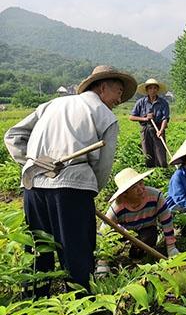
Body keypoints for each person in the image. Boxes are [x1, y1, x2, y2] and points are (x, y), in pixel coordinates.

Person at [4, 65, 137, 296]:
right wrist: (86, 189)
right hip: (73, 190)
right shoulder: (106, 116)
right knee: (76, 251)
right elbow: (103, 168)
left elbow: (13, 136)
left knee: (39, 248)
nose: (119, 99)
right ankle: (81, 311)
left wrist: (33, 163)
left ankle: (34, 306)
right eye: (118, 91)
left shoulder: (52, 104)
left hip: (33, 186)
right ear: (103, 87)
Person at [95, 168, 179, 276]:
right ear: (125, 194)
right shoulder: (118, 207)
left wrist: (171, 247)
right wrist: (103, 261)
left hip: (147, 228)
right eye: (134, 187)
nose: (140, 189)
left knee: (149, 237)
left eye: (141, 183)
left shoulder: (155, 196)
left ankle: (136, 255)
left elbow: (166, 220)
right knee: (112, 238)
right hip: (124, 231)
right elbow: (104, 232)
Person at [129, 78, 170, 167]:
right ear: (147, 90)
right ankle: (150, 173)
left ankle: (162, 172)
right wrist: (145, 119)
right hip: (145, 129)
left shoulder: (163, 103)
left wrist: (161, 130)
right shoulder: (141, 102)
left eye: (155, 88)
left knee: (160, 153)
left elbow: (165, 118)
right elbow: (131, 117)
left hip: (158, 129)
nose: (153, 90)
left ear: (157, 90)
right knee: (148, 153)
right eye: (150, 88)